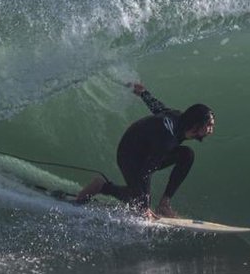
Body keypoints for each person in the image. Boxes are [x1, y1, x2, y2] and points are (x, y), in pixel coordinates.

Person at [75, 82, 215, 218]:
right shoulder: (167, 139)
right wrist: (145, 206)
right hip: (129, 154)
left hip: (147, 151)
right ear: (196, 123)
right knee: (140, 203)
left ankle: (164, 205)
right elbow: (145, 172)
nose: (211, 130)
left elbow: (158, 108)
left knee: (187, 155)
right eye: (208, 125)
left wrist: (143, 93)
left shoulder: (179, 118)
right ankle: (103, 187)